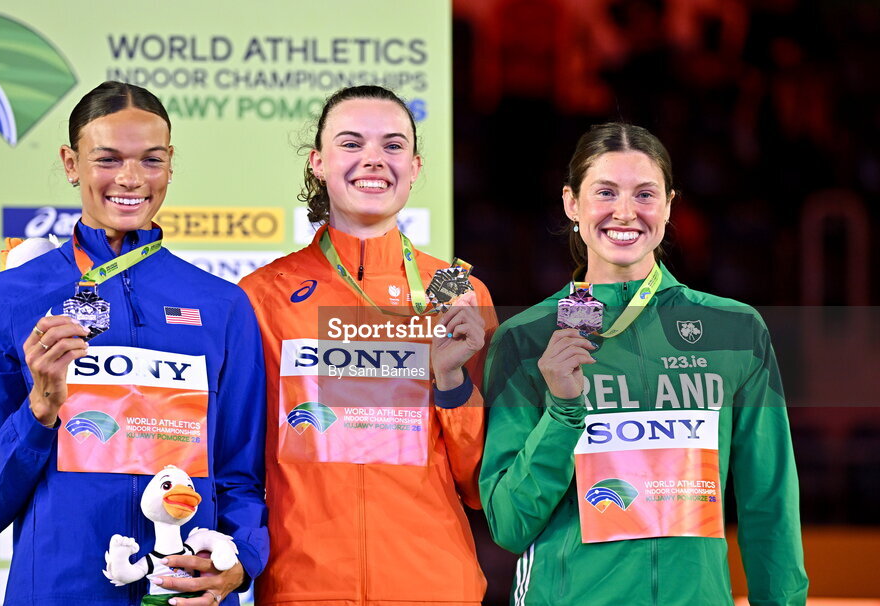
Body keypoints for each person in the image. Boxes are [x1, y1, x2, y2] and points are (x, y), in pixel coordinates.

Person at [0, 81, 268, 606]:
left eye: (150, 160)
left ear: (170, 163)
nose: (130, 179)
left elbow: (241, 477)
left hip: (181, 596)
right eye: (107, 159)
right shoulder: (9, 298)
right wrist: (40, 409)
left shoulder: (222, 306)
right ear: (71, 163)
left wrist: (240, 564)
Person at [480, 123, 808, 605]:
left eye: (645, 194)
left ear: (670, 205)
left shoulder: (735, 331)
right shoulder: (526, 341)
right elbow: (509, 524)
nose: (626, 212)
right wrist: (562, 413)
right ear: (572, 203)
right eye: (605, 192)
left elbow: (770, 501)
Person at [236, 85, 497, 605]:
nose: (373, 159)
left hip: (432, 583)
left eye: (393, 145)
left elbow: (478, 481)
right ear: (318, 162)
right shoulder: (263, 297)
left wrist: (450, 382)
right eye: (351, 143)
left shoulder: (460, 294)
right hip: (302, 586)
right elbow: (240, 466)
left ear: (416, 166)